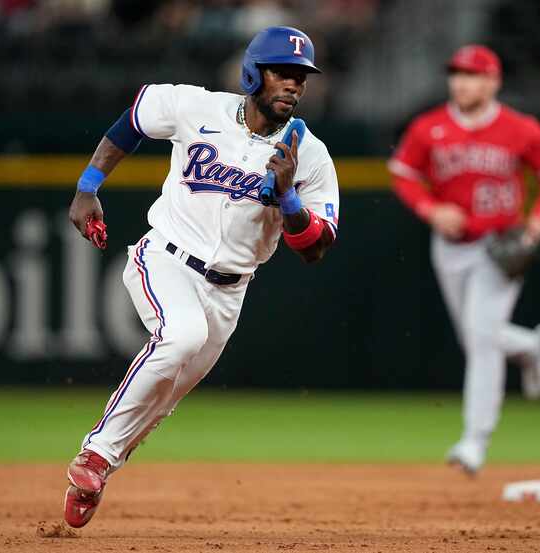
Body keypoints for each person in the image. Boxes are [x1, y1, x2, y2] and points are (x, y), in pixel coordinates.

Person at [63, 25, 339, 527]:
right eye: (283, 73)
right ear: (255, 73)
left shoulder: (309, 154)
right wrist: (88, 185)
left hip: (230, 290)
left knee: (166, 393)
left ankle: (102, 468)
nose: (294, 85)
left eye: (301, 77)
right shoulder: (198, 107)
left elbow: (316, 248)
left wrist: (290, 200)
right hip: (165, 256)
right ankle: (95, 456)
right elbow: (134, 120)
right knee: (180, 335)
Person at [388, 45, 540, 475]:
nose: (460, 82)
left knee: (483, 340)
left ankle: (475, 441)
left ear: (493, 82)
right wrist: (431, 210)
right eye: (456, 74)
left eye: (471, 75)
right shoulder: (428, 128)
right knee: (476, 339)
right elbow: (403, 173)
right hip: (450, 246)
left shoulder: (519, 129)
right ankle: (531, 345)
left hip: (500, 246)